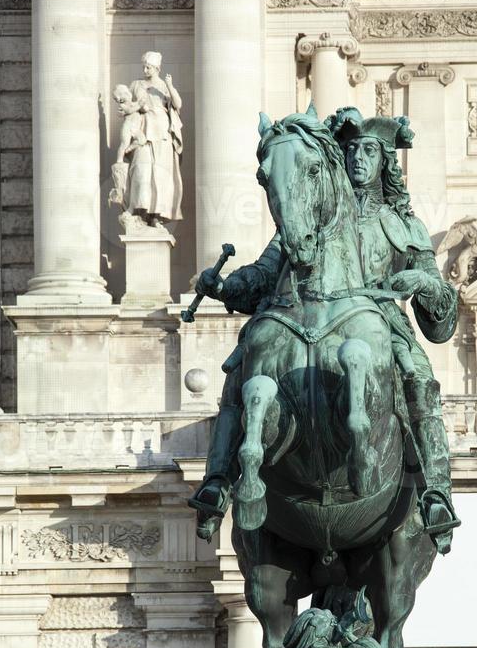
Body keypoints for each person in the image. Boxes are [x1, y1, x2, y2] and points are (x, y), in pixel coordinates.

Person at [191, 108, 459, 553]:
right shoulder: (308, 215)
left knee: (416, 375)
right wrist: (223, 287)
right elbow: (261, 275)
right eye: (350, 150)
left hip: (381, 323)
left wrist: (424, 282)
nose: (357, 159)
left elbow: (441, 319)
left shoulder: (402, 225)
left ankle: (436, 492)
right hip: (301, 318)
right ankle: (217, 480)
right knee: (244, 362)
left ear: (385, 162)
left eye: (369, 151)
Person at [124, 51, 183, 225]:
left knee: (160, 175)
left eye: (148, 66)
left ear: (157, 68)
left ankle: (156, 216)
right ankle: (139, 211)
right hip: (143, 131)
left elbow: (178, 104)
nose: (145, 69)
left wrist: (170, 86)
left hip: (162, 133)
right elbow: (128, 104)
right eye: (143, 66)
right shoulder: (136, 85)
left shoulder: (163, 86)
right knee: (141, 172)